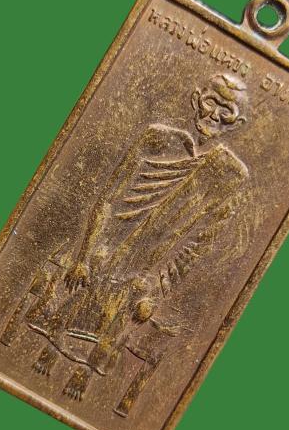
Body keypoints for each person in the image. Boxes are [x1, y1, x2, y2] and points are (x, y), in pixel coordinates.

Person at [26, 73, 250, 410]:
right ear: (196, 99)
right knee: (84, 284)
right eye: (211, 102)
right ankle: (47, 352)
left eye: (227, 111)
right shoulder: (157, 138)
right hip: (103, 248)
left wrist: (156, 293)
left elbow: (198, 245)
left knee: (126, 305)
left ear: (239, 123)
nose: (215, 115)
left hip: (145, 270)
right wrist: (82, 257)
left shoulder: (230, 174)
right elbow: (107, 199)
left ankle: (84, 375)